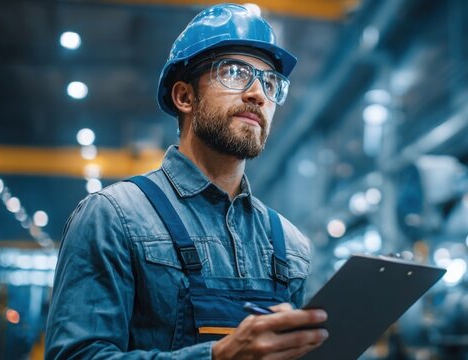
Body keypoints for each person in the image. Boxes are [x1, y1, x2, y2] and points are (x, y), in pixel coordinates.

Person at [45, 4, 328, 359]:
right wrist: (216, 357)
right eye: (236, 73)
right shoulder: (113, 217)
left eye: (270, 82)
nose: (258, 94)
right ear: (184, 97)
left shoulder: (291, 245)